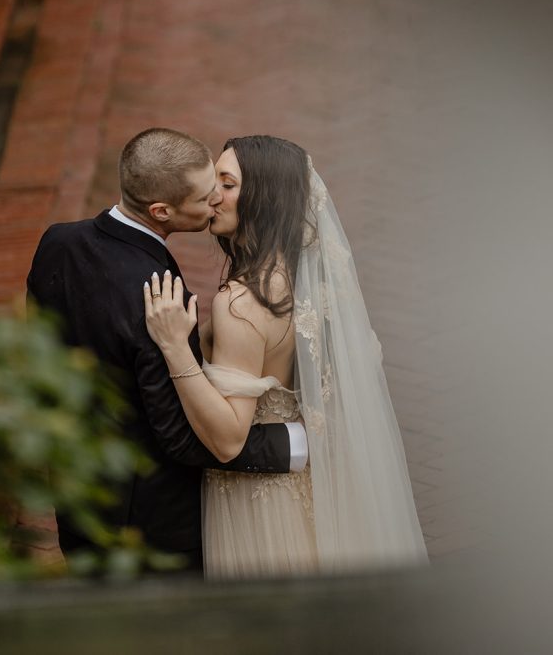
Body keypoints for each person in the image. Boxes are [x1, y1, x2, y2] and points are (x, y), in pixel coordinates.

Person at [145, 135, 429, 578]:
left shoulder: (242, 301)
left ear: (264, 197)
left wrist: (174, 347)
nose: (213, 196)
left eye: (227, 183)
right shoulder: (308, 280)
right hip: (314, 488)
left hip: (258, 501)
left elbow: (227, 438)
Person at [26, 128, 308, 573]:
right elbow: (178, 434)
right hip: (152, 525)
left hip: (78, 495)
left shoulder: (57, 243)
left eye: (222, 186)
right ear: (162, 211)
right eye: (207, 195)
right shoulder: (160, 297)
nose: (216, 200)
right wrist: (294, 445)